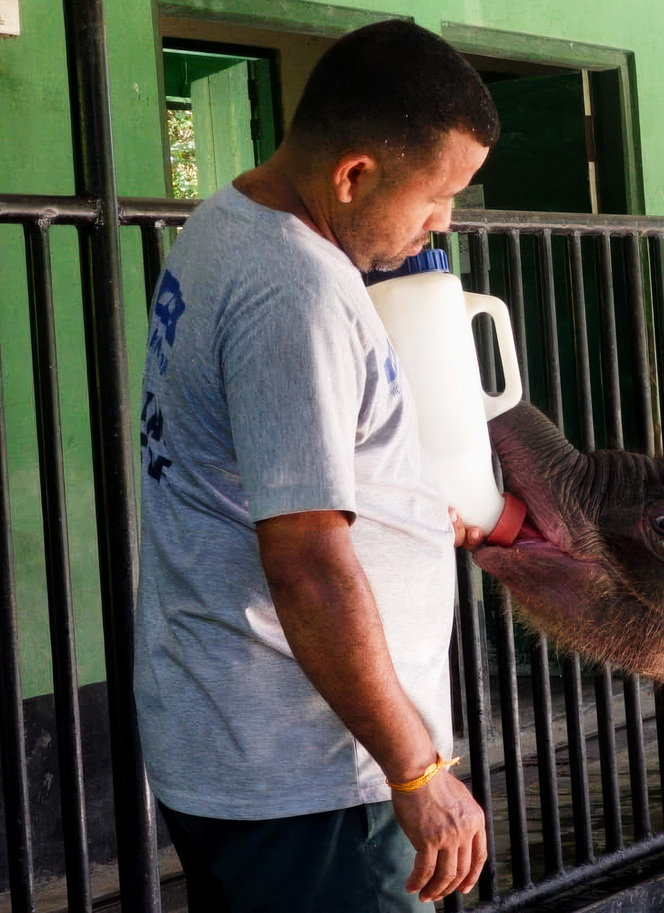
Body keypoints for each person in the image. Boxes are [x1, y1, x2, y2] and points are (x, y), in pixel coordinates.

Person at [135, 20, 498, 911]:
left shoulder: (227, 220)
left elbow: (267, 469)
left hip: (231, 738)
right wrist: (418, 775)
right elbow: (305, 562)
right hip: (317, 784)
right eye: (436, 195)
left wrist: (406, 505)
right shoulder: (296, 290)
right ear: (353, 174)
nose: (444, 222)